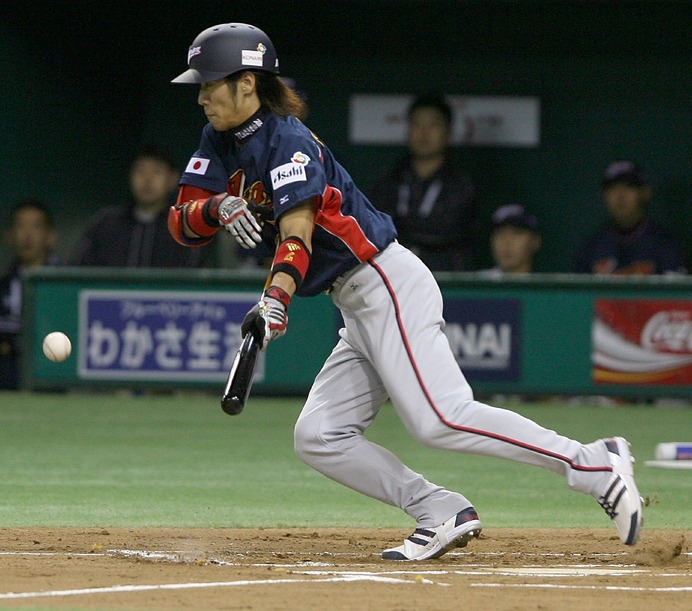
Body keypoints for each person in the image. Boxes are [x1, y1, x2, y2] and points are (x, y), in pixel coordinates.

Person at [168, 22, 643, 560]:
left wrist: (274, 299)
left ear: (248, 84)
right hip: (354, 303)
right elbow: (180, 223)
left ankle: (591, 464)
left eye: (211, 83)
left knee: (439, 418)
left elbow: (296, 236)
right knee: (320, 436)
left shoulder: (287, 140)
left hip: (385, 282)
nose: (202, 95)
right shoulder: (218, 140)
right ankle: (440, 509)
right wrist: (215, 207)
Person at [368, 94, 480, 271]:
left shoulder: (461, 185)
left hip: (444, 278)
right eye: (417, 124)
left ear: (448, 131)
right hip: (395, 275)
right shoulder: (390, 181)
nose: (424, 133)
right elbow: (375, 228)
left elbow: (450, 233)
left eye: (433, 125)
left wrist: (403, 230)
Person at [71, 145, 214, 268]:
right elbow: (79, 271)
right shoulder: (106, 223)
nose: (147, 179)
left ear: (172, 179)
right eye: (140, 171)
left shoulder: (185, 226)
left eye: (156, 171)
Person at [572, 160, 687, 275]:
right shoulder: (592, 249)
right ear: (604, 196)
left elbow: (675, 292)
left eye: (629, 186)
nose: (620, 195)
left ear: (645, 192)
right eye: (613, 188)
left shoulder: (665, 246)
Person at [0, 201, 59, 390]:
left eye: (36, 226)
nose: (27, 235)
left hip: (54, 373)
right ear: (9, 236)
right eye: (21, 226)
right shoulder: (3, 285)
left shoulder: (63, 285)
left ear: (50, 236)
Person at [480, 204, 542, 277]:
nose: (506, 242)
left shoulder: (547, 286)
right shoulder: (475, 284)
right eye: (500, 233)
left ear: (535, 241)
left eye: (516, 233)